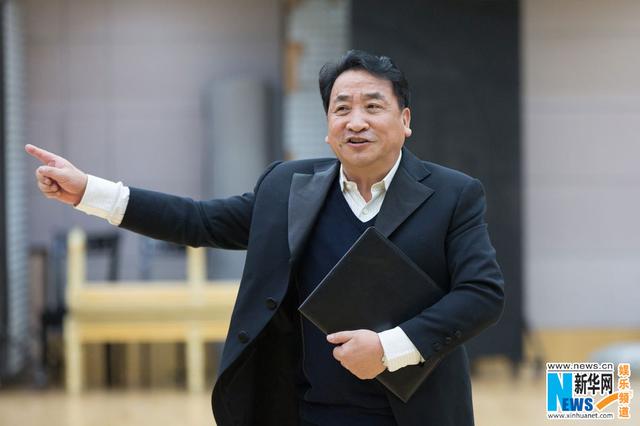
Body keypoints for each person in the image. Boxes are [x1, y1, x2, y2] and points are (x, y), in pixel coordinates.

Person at [26, 50, 504, 426]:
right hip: (306, 413)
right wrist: (89, 191)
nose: (355, 121)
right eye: (341, 108)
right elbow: (198, 221)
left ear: (405, 120)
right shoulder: (287, 188)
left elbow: (481, 293)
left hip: (416, 415)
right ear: (328, 129)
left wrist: (388, 348)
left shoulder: (453, 195)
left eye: (373, 106)